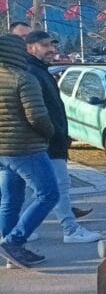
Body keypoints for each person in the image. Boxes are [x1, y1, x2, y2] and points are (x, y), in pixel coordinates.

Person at [23, 31, 101, 244]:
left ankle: (21, 229)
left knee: (40, 190)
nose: (52, 50)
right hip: (47, 142)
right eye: (46, 45)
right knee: (59, 187)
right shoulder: (32, 73)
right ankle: (70, 229)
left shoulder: (40, 71)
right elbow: (37, 113)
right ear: (31, 47)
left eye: (52, 45)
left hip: (47, 140)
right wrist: (54, 134)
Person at [0, 34, 58, 268]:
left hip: (2, 151)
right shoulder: (23, 79)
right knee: (49, 194)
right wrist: (50, 133)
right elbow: (37, 116)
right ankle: (14, 242)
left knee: (10, 200)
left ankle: (9, 246)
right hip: (25, 148)